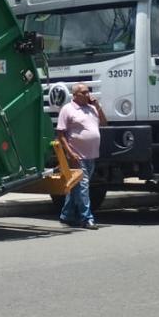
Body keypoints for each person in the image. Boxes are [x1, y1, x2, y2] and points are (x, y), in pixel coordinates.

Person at [56, 83, 106, 229]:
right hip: (77, 156)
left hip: (92, 155)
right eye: (84, 92)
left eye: (88, 92)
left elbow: (103, 122)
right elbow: (61, 134)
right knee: (83, 187)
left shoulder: (91, 109)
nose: (87, 94)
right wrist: (70, 153)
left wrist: (98, 106)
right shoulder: (67, 109)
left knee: (77, 187)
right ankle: (87, 218)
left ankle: (66, 215)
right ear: (75, 95)